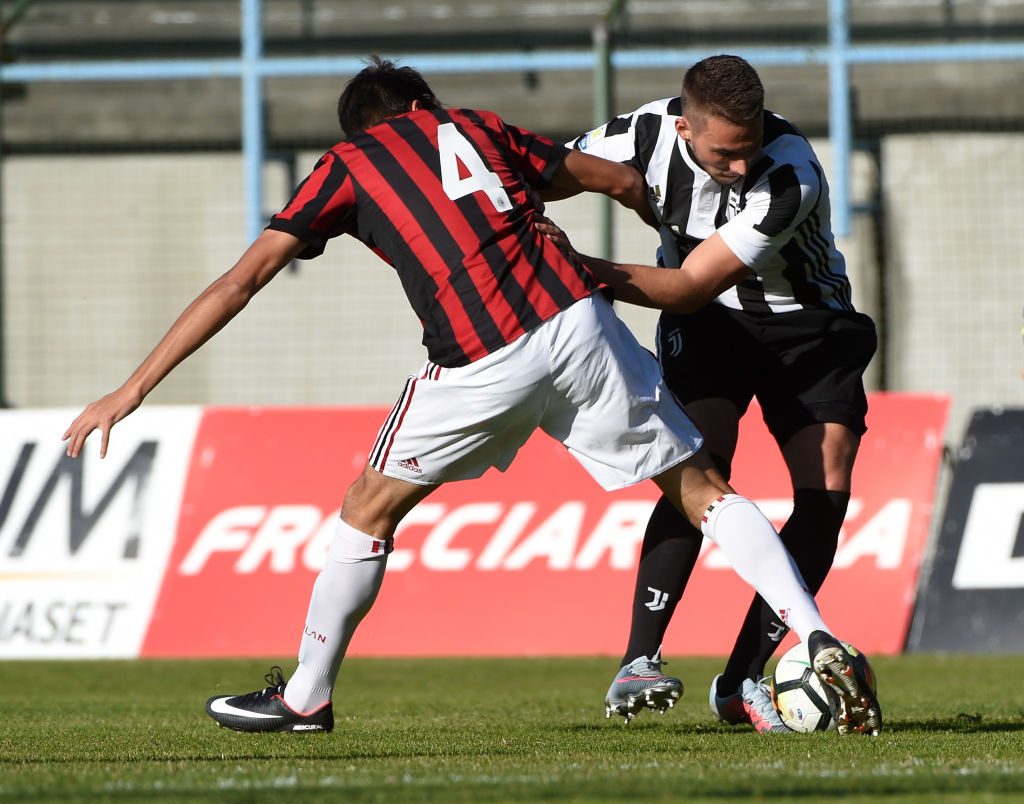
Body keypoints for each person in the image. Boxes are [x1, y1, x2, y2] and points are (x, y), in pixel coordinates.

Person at [62, 57, 880, 738]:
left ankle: (306, 696)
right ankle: (815, 636)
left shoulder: (347, 165)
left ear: (361, 129)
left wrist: (132, 388)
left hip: (481, 354)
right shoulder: (481, 127)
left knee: (368, 508)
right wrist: (605, 216)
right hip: (579, 322)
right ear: (424, 103)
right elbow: (615, 177)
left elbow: (241, 282)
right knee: (703, 489)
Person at [566, 54, 879, 733]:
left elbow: (688, 285)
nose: (739, 165)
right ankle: (639, 658)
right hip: (710, 328)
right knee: (697, 464)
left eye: (749, 148)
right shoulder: (639, 135)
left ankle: (741, 681)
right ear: (684, 127)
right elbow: (540, 174)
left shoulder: (790, 174)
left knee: (825, 492)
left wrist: (569, 264)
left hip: (807, 325)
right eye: (723, 154)